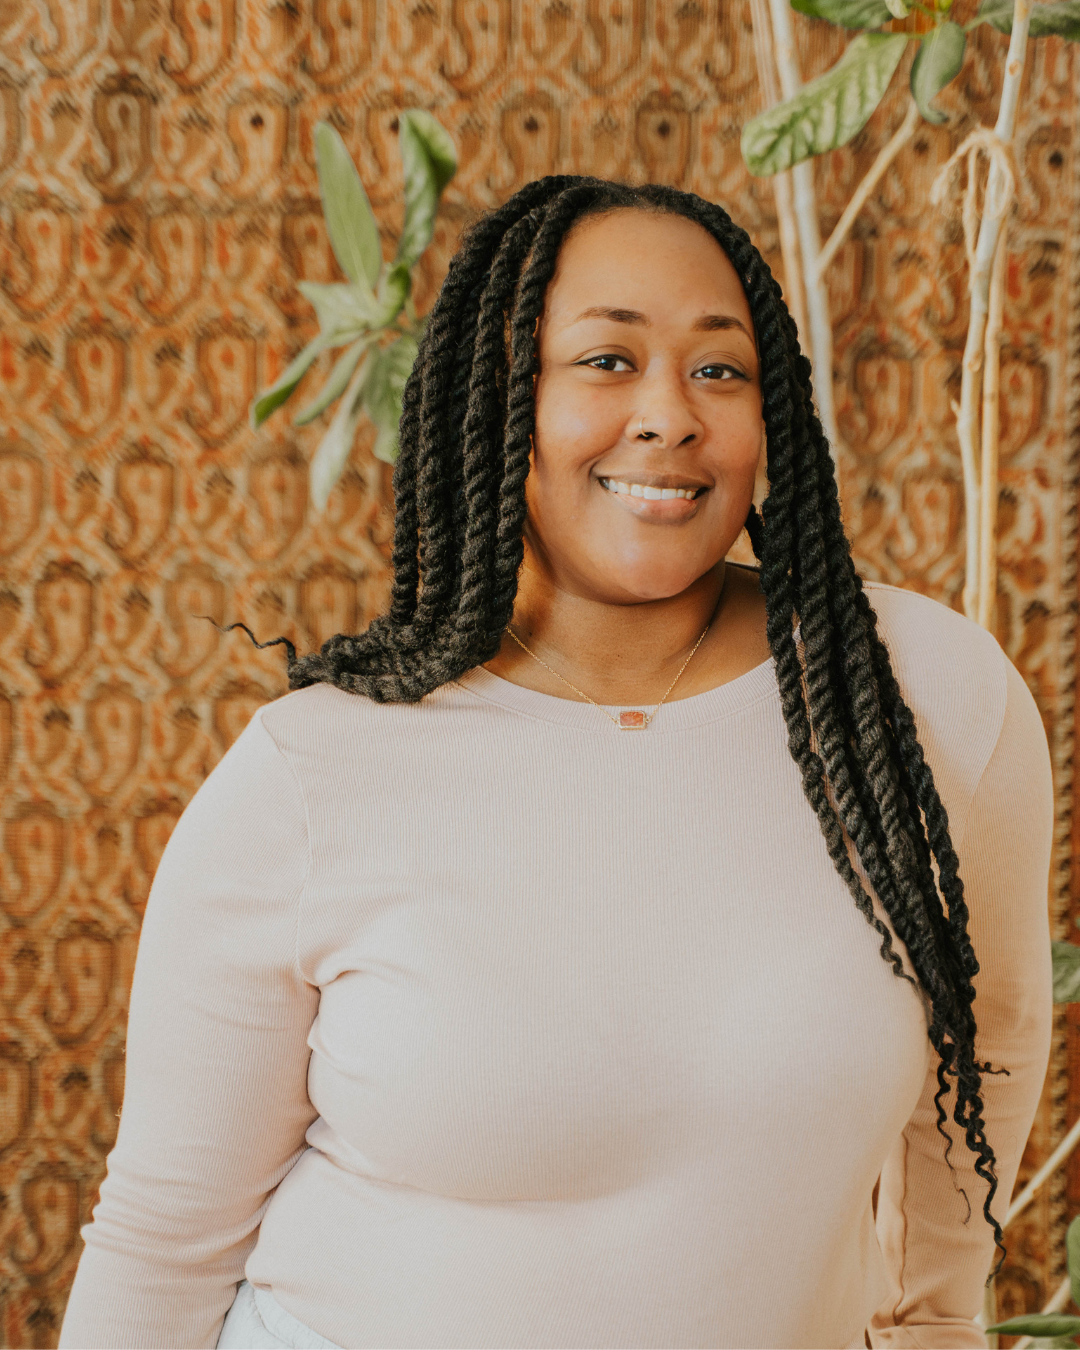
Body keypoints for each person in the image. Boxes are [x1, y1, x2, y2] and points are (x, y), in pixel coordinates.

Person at [59, 177, 1053, 1350]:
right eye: (606, 360)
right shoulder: (314, 775)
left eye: (719, 368)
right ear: (500, 402)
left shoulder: (922, 700)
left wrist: (931, 1322)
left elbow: (989, 1037)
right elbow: (164, 1240)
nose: (670, 414)